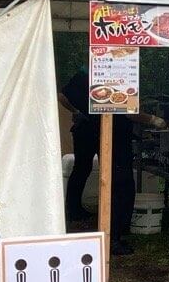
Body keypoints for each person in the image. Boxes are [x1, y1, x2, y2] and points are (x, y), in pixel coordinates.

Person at [59, 66, 138, 256]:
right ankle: (114, 234)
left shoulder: (85, 74)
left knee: (84, 169)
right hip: (105, 134)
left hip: (87, 129)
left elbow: (62, 96)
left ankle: (75, 211)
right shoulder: (121, 78)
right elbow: (129, 112)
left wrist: (76, 111)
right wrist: (152, 119)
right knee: (118, 181)